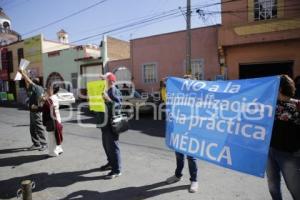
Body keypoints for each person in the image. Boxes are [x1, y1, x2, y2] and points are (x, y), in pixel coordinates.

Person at [266, 75, 300, 200]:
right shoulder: (270, 106)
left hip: (289, 154)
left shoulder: (297, 106)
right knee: (273, 186)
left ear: (279, 88)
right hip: (269, 151)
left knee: (295, 189)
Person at [165, 74, 198, 193]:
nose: (185, 85)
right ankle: (178, 175)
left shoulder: (197, 98)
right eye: (184, 83)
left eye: (188, 83)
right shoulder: (177, 96)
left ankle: (194, 180)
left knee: (191, 157)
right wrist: (168, 84)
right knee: (179, 155)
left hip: (191, 131)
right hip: (178, 131)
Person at [99, 72, 122, 179]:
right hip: (105, 123)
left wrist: (108, 99)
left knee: (113, 147)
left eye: (104, 79)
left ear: (111, 80)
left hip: (111, 123)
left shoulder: (113, 90)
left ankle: (117, 170)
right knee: (106, 145)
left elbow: (117, 107)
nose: (103, 80)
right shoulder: (107, 90)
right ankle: (110, 163)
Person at [19, 69, 47, 151]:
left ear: (35, 83)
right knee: (32, 128)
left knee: (39, 127)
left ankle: (44, 144)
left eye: (33, 81)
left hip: (36, 111)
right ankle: (36, 143)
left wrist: (22, 73)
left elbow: (29, 81)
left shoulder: (37, 88)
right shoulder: (34, 89)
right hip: (33, 111)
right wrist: (24, 75)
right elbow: (28, 83)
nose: (30, 82)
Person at [41, 83, 63, 157]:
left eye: (49, 88)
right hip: (57, 119)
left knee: (51, 137)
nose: (47, 90)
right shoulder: (55, 97)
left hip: (52, 120)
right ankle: (59, 149)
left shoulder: (50, 99)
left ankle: (52, 153)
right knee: (57, 135)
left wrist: (43, 100)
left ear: (53, 90)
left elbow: (44, 108)